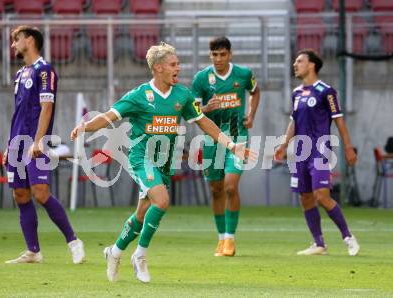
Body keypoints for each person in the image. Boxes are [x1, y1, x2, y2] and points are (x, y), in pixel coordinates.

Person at [70, 42, 253, 283]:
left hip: (165, 161)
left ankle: (114, 252)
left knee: (141, 215)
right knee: (163, 200)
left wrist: (231, 145)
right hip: (140, 158)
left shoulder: (184, 95)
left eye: (178, 63)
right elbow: (108, 117)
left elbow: (204, 122)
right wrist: (86, 126)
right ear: (158, 68)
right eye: (173, 64)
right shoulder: (138, 96)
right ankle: (140, 256)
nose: (179, 67)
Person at [3, 26, 85, 264]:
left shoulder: (44, 70)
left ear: (29, 40)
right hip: (17, 143)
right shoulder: (20, 74)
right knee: (20, 194)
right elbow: (17, 113)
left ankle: (73, 241)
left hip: (35, 141)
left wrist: (39, 140)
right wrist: (9, 146)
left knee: (41, 192)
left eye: (16, 40)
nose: (13, 45)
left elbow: (46, 107)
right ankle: (33, 251)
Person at [274, 49, 360, 256]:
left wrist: (348, 147)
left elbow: (339, 120)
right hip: (300, 152)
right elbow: (294, 121)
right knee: (305, 198)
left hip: (320, 150)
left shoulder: (326, 91)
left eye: (299, 61)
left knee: (321, 196)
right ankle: (319, 243)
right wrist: (284, 144)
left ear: (311, 65)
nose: (295, 64)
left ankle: (348, 237)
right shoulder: (296, 93)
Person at [191, 37, 260, 257]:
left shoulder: (244, 74)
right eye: (215, 54)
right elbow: (193, 111)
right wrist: (205, 107)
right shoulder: (201, 79)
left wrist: (251, 114)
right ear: (210, 55)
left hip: (237, 136)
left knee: (231, 186)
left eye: (222, 54)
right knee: (216, 189)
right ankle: (221, 238)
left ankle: (230, 239)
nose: (218, 58)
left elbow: (256, 91)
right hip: (212, 140)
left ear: (230, 54)